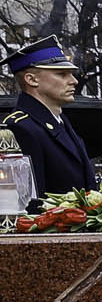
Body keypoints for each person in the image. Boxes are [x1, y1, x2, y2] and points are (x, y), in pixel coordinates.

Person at [1, 35, 93, 205]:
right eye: (62, 74)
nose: (73, 81)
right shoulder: (21, 128)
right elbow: (29, 205)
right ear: (31, 79)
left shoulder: (58, 122)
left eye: (71, 74)